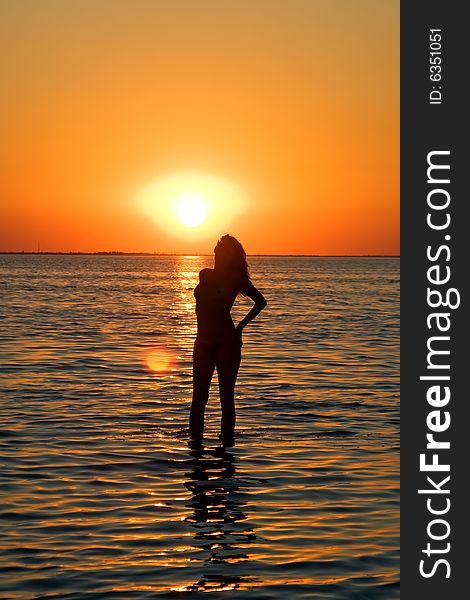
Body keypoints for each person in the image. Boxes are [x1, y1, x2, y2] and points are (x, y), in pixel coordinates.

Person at [189, 234, 267, 445]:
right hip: (202, 344)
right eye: (215, 248)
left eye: (220, 249)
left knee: (226, 398)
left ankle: (227, 451)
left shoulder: (236, 279)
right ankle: (194, 449)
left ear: (228, 254)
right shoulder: (204, 275)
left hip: (226, 343)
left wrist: (240, 328)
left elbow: (261, 302)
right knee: (198, 400)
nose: (215, 253)